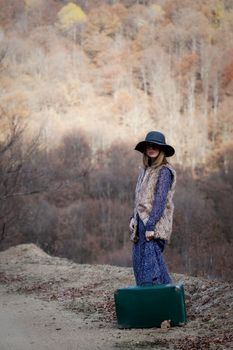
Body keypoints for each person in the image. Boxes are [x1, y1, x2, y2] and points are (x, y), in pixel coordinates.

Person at [129, 131, 176, 286]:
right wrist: (132, 218)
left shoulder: (164, 171)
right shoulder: (144, 170)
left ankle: (165, 303)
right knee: (139, 265)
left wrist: (150, 226)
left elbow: (160, 201)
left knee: (152, 271)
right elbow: (139, 198)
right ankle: (147, 305)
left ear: (162, 149)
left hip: (154, 225)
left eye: (155, 146)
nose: (151, 148)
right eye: (149, 145)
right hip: (140, 224)